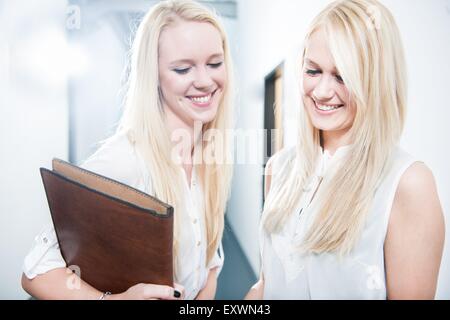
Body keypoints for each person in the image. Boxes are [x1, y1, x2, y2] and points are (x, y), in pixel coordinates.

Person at [21, 0, 234, 300]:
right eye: (183, 68)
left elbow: (209, 264)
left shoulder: (210, 155)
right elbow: (37, 272)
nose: (204, 80)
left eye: (214, 63)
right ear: (155, 76)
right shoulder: (125, 160)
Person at [246, 0, 445, 300]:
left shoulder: (407, 184)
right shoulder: (279, 168)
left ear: (375, 82)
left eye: (342, 77)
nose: (323, 91)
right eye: (313, 71)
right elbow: (266, 284)